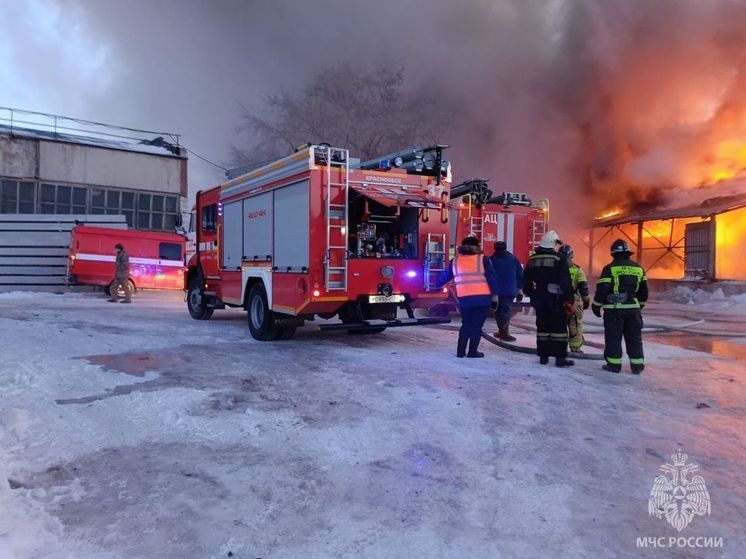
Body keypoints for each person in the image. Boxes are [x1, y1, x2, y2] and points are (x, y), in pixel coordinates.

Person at [592, 239, 648, 374]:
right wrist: (638, 307)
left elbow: (603, 289)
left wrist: (596, 305)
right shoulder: (638, 268)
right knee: (634, 338)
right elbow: (644, 291)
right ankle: (637, 366)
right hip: (633, 311)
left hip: (614, 311)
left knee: (613, 338)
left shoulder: (609, 269)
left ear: (613, 253)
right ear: (628, 253)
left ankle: (614, 365)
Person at [438, 236, 498, 358]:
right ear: (477, 247)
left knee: (466, 324)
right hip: (482, 298)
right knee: (476, 326)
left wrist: (435, 284)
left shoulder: (455, 261)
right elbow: (492, 279)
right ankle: (472, 352)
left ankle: (460, 352)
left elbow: (445, 276)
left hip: (464, 298)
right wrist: (495, 296)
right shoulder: (483, 259)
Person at [522, 230, 575, 367]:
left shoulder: (533, 259)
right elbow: (565, 281)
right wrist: (569, 297)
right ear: (553, 243)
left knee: (542, 327)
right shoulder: (559, 259)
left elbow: (526, 281)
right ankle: (560, 359)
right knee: (559, 329)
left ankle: (543, 357)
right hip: (556, 299)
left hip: (539, 298)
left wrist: (532, 295)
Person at [489, 240, 523, 342]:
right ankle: (503, 332)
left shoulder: (491, 260)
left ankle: (503, 333)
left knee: (499, 313)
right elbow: (519, 275)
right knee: (504, 312)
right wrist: (519, 290)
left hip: (496, 292)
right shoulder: (513, 259)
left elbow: (489, 276)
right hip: (509, 290)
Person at [560, 244, 591, 354]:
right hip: (573, 300)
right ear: (571, 255)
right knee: (575, 324)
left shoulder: (555, 268)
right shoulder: (577, 269)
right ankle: (575, 348)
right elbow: (583, 287)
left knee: (559, 325)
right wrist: (586, 300)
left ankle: (559, 348)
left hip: (558, 300)